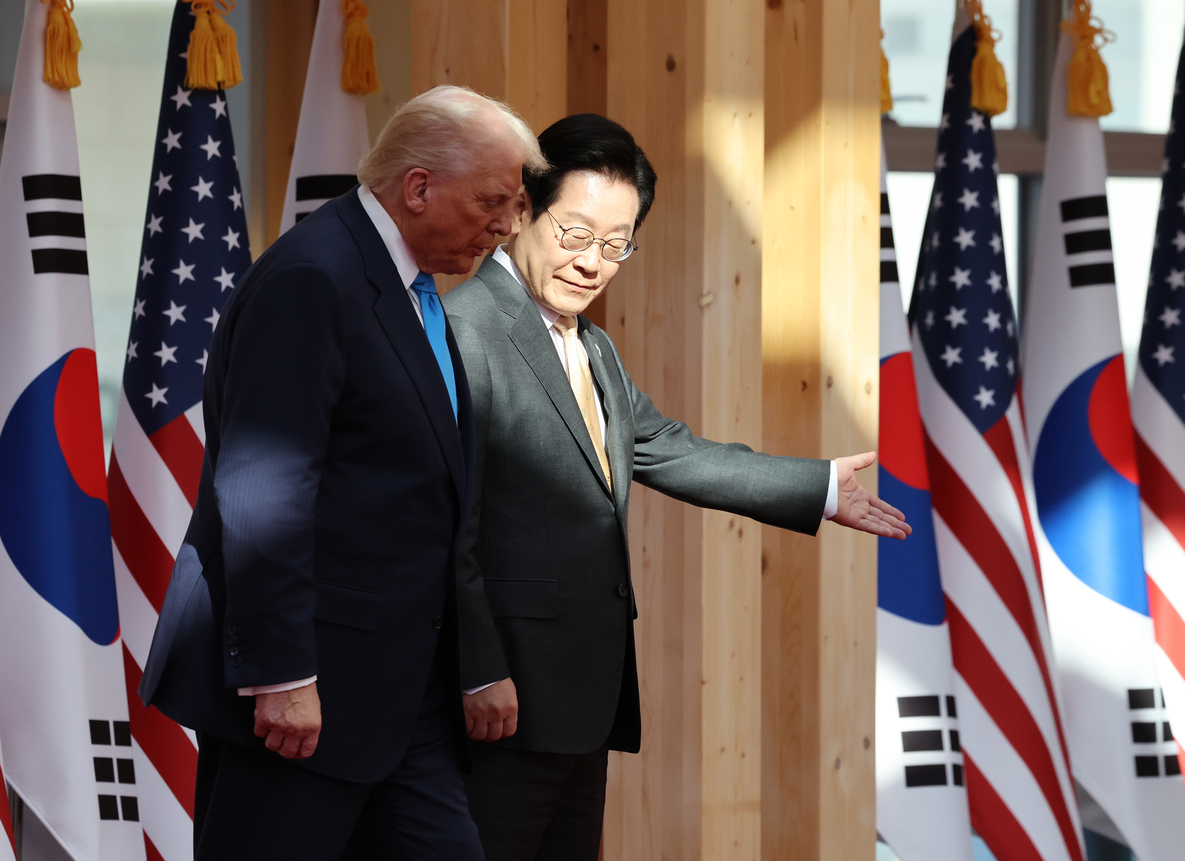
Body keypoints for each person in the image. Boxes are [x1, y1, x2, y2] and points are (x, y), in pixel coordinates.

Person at [441, 113, 910, 861]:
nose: (592, 262)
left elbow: (663, 446)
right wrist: (477, 668)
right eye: (574, 233)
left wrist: (818, 486)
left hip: (578, 701)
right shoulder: (463, 329)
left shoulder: (590, 344)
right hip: (500, 701)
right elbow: (448, 527)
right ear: (524, 208)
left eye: (615, 245)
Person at [138, 85, 547, 861]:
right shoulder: (314, 279)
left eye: (518, 204)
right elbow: (265, 486)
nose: (507, 225)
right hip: (303, 696)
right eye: (494, 200)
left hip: (402, 695)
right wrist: (283, 671)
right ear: (418, 187)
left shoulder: (409, 290)